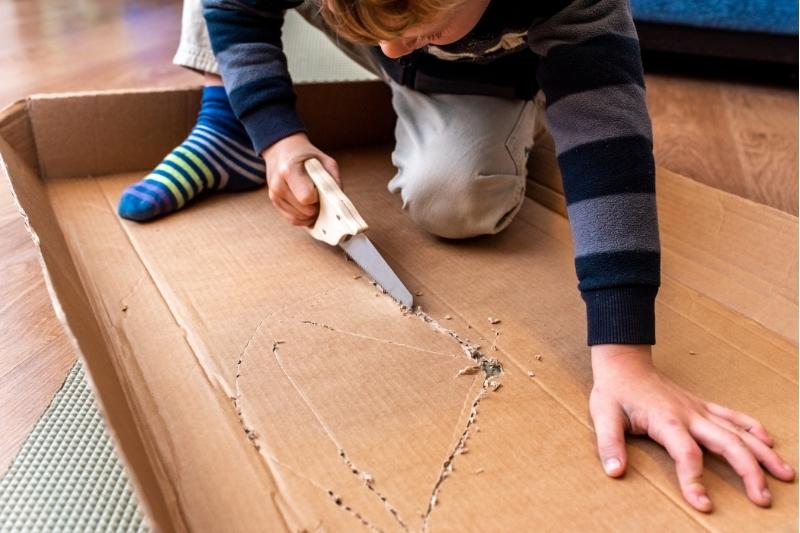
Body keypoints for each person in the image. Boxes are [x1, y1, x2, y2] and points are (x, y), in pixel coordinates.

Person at [118, 0, 795, 512]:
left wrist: (626, 360)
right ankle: (229, 121)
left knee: (458, 202)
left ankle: (520, 96)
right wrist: (277, 136)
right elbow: (239, 8)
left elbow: (609, 137)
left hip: (488, 66)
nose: (387, 44)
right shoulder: (390, 21)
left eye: (417, 23)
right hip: (386, 29)